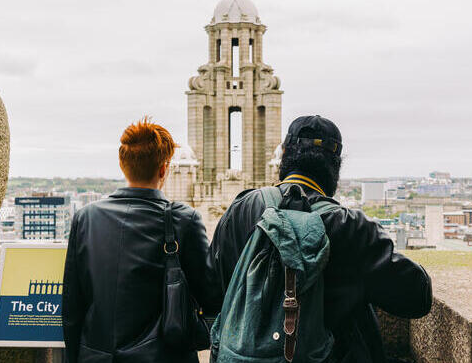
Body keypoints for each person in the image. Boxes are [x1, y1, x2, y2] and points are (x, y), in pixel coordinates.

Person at [208, 115, 432, 363]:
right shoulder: (350, 227)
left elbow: (212, 291)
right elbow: (417, 296)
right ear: (335, 167)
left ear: (284, 156)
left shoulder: (241, 209)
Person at [62, 118, 215, 363]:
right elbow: (210, 298)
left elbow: (72, 307)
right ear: (164, 169)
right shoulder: (184, 220)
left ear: (123, 166)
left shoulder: (85, 218)